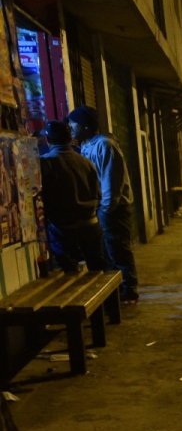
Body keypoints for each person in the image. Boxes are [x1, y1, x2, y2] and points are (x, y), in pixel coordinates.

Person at [67, 106, 139, 303]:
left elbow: (111, 182)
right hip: (102, 208)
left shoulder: (105, 146)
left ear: (85, 126)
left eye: (73, 125)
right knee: (107, 251)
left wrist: (106, 209)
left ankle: (129, 290)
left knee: (117, 249)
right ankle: (119, 290)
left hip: (113, 208)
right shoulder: (86, 146)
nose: (70, 129)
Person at [37, 120, 107, 273]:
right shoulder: (86, 162)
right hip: (92, 226)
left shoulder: (47, 162)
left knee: (68, 274)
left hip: (64, 230)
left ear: (48, 140)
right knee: (98, 272)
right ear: (69, 139)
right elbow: (99, 194)